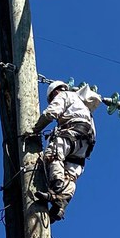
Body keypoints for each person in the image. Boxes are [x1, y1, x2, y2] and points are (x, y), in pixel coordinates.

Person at [30, 80, 98, 223]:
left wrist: (33, 130)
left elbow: (51, 113)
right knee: (70, 175)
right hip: (84, 144)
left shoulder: (64, 95)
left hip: (72, 133)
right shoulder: (84, 107)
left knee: (52, 155)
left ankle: (56, 189)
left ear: (55, 92)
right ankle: (60, 205)